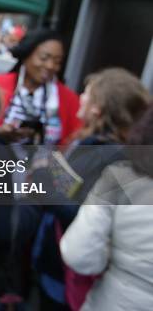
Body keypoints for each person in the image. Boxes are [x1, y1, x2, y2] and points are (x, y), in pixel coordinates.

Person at [27, 68, 151, 310]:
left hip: (70, 273)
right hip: (57, 257)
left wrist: (43, 182)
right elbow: (75, 188)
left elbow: (79, 210)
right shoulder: (91, 141)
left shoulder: (114, 156)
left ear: (98, 107)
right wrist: (52, 168)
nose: (80, 96)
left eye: (87, 93)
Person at [60, 103, 153, 311]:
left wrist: (110, 254)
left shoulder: (118, 173)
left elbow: (78, 252)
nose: (80, 100)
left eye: (88, 95)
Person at [0, 29, 81, 146]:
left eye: (57, 61)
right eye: (44, 58)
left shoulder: (69, 99)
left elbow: (74, 141)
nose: (50, 66)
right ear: (26, 55)